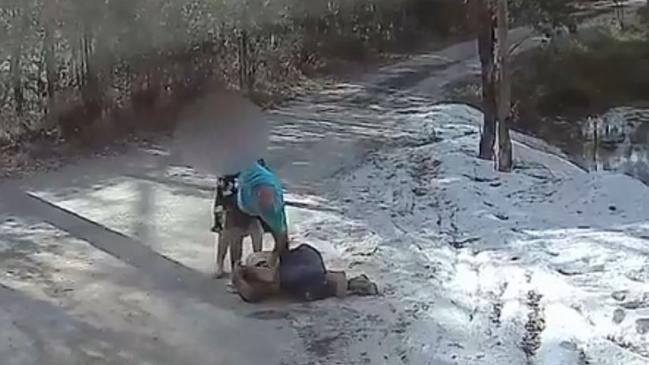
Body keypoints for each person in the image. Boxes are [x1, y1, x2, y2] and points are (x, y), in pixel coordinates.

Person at [232, 244, 379, 303]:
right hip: (304, 262)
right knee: (319, 284)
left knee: (319, 283)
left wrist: (241, 272)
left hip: (303, 267)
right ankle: (353, 284)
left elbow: (270, 277)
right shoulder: (260, 275)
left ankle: (353, 285)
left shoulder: (264, 267)